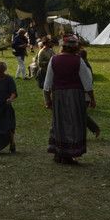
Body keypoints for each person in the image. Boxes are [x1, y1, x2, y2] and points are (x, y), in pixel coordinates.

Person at [43, 36, 95, 165]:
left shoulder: (54, 59)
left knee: (59, 123)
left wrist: (47, 100)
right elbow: (87, 83)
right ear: (75, 48)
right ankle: (68, 154)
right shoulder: (78, 60)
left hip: (58, 96)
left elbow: (47, 84)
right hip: (75, 96)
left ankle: (59, 153)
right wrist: (92, 98)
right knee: (73, 124)